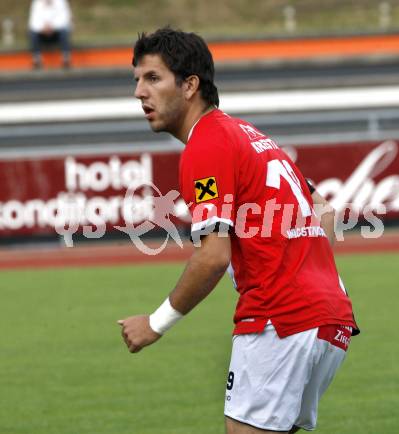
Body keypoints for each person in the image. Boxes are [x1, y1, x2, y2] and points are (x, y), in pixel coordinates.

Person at [118, 27, 359, 434]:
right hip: (330, 319)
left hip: (279, 321)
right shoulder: (251, 135)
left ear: (190, 85)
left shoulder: (206, 145)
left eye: (153, 78)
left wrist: (154, 324)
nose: (140, 92)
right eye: (137, 80)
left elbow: (213, 256)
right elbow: (324, 211)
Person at [28, 0, 72, 69]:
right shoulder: (36, 2)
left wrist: (52, 26)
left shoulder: (61, 2)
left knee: (65, 31)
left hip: (57, 33)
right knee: (32, 33)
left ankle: (66, 59)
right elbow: (33, 22)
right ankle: (36, 60)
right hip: (42, 33)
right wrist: (43, 27)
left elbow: (65, 20)